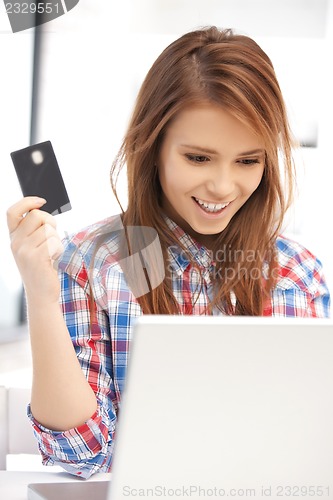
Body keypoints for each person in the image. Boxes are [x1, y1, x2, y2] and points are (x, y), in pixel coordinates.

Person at [6, 26, 330, 478]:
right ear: (153, 148)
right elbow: (81, 452)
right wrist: (41, 296)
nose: (222, 186)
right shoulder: (93, 263)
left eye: (248, 161)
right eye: (198, 158)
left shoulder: (298, 273)